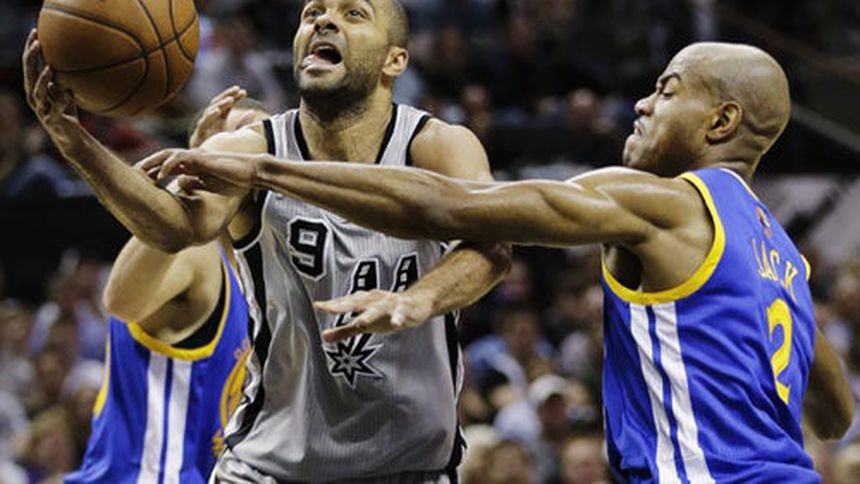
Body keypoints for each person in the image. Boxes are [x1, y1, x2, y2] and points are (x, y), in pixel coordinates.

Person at [152, 42, 855, 482]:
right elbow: (834, 413)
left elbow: (450, 206)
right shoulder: (783, 261)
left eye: (668, 90)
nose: (643, 103)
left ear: (722, 122)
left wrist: (267, 169)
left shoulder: (666, 203)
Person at [23, 0, 510, 480]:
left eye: (353, 13)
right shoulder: (248, 149)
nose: (324, 20)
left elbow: (492, 248)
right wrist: (73, 141)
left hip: (412, 465)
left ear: (394, 59)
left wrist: (418, 299)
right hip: (269, 467)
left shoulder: (437, 145)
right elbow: (175, 228)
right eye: (311, 13)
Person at [62, 89, 265, 483]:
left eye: (252, 138)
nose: (238, 152)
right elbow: (119, 300)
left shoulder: (267, 279)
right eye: (227, 140)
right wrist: (187, 186)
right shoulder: (196, 255)